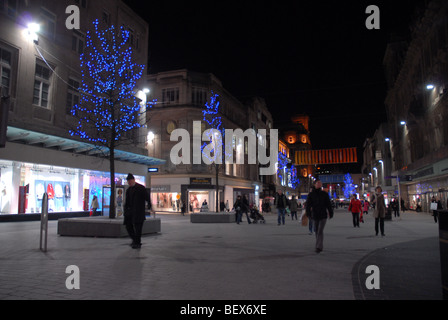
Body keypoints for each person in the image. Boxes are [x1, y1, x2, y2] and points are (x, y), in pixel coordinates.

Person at [306, 179, 334, 253]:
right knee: (316, 230)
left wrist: (330, 212)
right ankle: (318, 244)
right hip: (315, 214)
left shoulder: (324, 194)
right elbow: (308, 205)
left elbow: (328, 204)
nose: (319, 184)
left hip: (323, 215)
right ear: (315, 184)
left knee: (320, 230)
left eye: (320, 183)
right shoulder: (311, 195)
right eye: (318, 183)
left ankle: (319, 246)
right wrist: (308, 213)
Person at [124, 173, 150, 249]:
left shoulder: (141, 188)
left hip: (138, 212)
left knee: (138, 228)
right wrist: (126, 210)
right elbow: (127, 201)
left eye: (130, 181)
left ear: (134, 180)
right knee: (128, 226)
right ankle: (135, 240)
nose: (129, 182)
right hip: (131, 212)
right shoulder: (129, 190)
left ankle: (137, 242)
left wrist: (149, 204)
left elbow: (147, 197)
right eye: (128, 181)